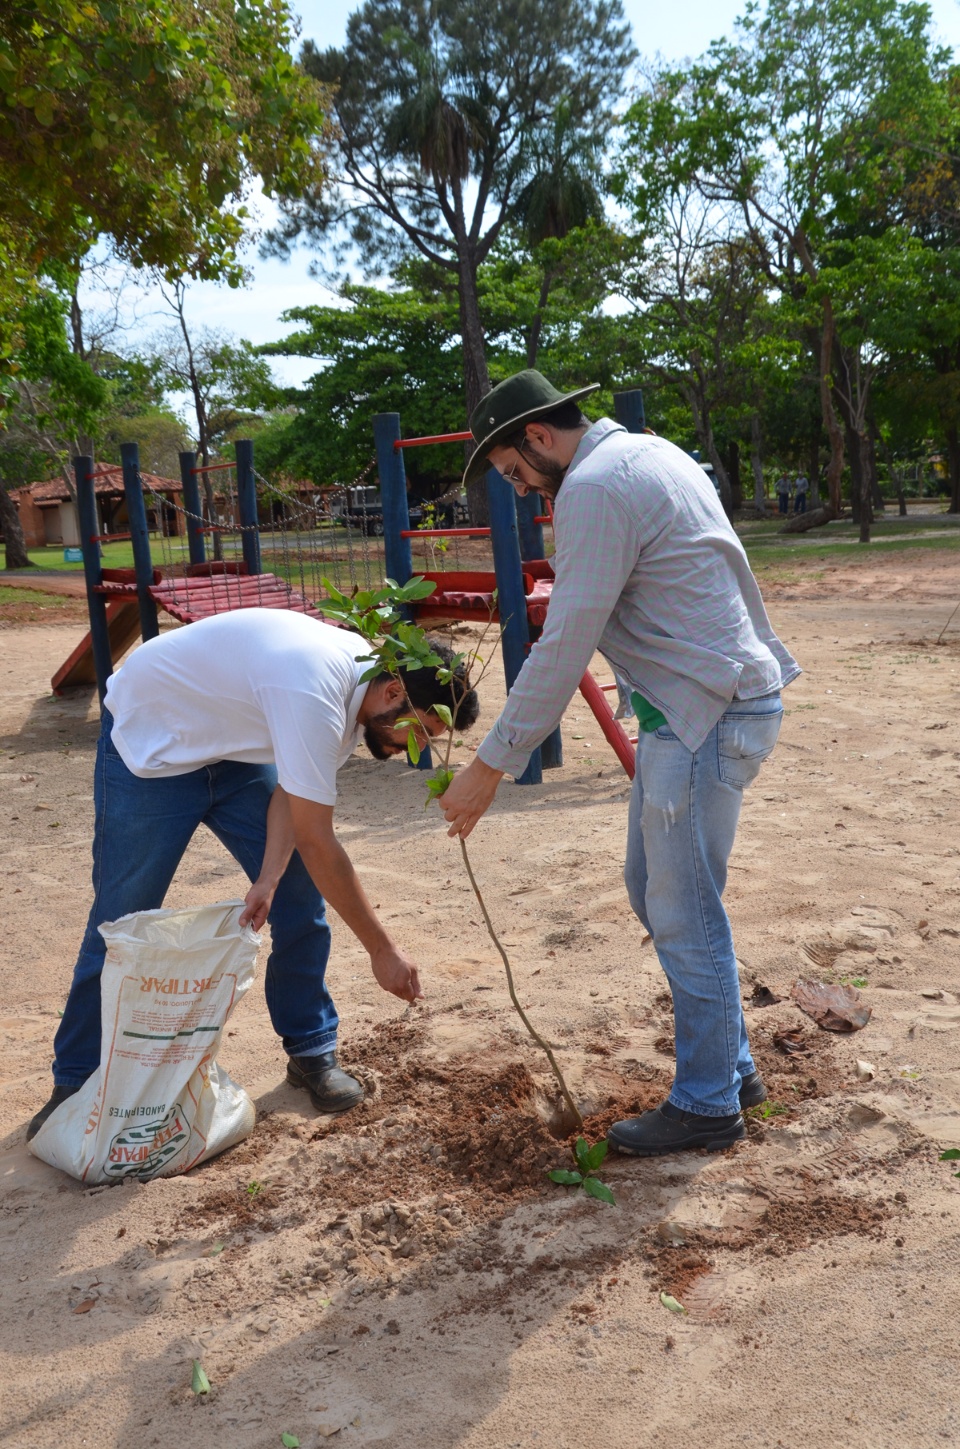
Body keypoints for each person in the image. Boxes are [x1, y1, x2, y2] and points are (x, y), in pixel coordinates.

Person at [441, 370, 799, 1157]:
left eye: (512, 471)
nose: (522, 490)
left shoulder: (593, 487)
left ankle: (706, 1103)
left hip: (703, 714)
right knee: (657, 891)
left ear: (537, 436)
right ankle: (732, 1069)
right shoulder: (646, 452)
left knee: (683, 910)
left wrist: (490, 763)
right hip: (704, 705)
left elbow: (565, 644)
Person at [27, 608, 478, 1141]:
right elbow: (317, 839)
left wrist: (268, 877)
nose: (418, 750)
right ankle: (76, 1080)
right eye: (422, 731)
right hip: (154, 746)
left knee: (296, 895)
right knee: (119, 920)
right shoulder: (315, 691)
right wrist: (382, 947)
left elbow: (292, 795)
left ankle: (311, 1049)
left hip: (235, 750)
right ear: (392, 692)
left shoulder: (352, 702)